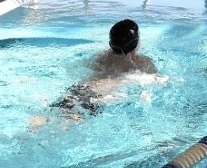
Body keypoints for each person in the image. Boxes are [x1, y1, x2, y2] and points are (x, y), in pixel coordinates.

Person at [31, 19, 165, 127]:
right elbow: (156, 81)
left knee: (45, 118)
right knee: (62, 127)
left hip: (78, 89)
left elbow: (79, 67)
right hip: (96, 97)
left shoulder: (100, 56)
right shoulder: (142, 62)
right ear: (136, 43)